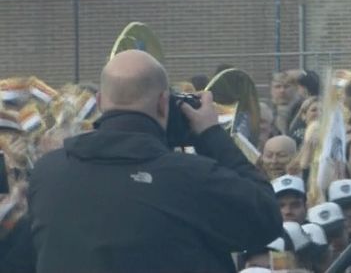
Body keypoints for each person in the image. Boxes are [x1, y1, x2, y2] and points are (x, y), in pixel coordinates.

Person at [28, 50, 282, 273]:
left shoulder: (47, 173)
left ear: (100, 102)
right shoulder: (191, 177)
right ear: (163, 103)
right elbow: (266, 220)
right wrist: (211, 135)